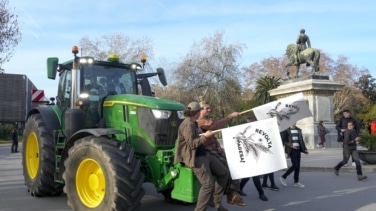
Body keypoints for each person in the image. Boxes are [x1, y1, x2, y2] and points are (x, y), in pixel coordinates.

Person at [174, 101, 229, 211]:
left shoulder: (194, 123)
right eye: (200, 110)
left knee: (224, 173)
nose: (201, 112)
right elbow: (191, 144)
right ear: (197, 112)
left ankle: (216, 202)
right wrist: (206, 137)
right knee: (208, 185)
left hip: (205, 154)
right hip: (196, 158)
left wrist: (206, 136)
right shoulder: (187, 124)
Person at [196, 101, 246, 206]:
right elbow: (215, 126)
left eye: (209, 108)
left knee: (235, 167)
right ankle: (225, 196)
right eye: (206, 108)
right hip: (208, 152)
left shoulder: (207, 121)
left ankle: (232, 194)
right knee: (227, 170)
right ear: (200, 110)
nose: (209, 110)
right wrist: (230, 116)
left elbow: (213, 136)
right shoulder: (200, 121)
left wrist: (219, 146)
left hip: (215, 150)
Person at [280, 123, 308, 188]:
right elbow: (284, 141)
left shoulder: (298, 130)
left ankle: (296, 182)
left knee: (298, 166)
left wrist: (305, 149)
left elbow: (301, 141)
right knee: (295, 165)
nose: (294, 122)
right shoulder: (286, 130)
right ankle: (283, 177)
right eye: (292, 121)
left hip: (298, 149)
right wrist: (291, 146)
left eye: (295, 121)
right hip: (291, 150)